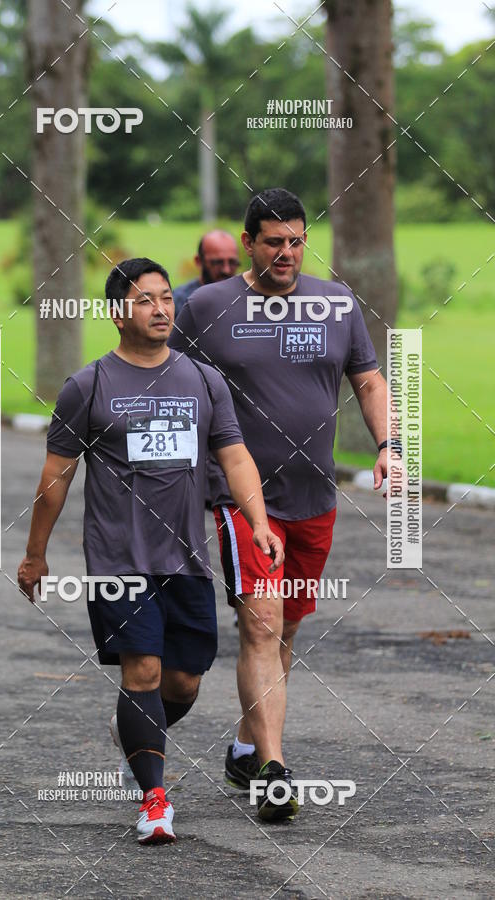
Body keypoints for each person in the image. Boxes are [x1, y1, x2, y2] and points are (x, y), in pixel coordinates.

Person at [17, 257, 284, 844]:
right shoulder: (86, 387)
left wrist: (258, 522)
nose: (162, 309)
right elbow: (55, 479)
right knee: (143, 669)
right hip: (119, 558)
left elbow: (235, 456)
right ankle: (155, 801)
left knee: (183, 681)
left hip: (186, 558)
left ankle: (137, 732)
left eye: (166, 298)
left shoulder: (202, 380)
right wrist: (35, 555)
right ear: (118, 314)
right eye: (145, 301)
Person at [169, 188, 393, 822]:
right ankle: (273, 770)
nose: (288, 253)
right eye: (274, 242)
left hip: (314, 495)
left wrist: (389, 443)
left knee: (288, 626)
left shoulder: (336, 302)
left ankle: (245, 747)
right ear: (248, 243)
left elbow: (369, 378)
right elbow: (170, 386)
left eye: (297, 241)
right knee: (261, 625)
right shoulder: (208, 307)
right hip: (241, 499)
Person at [173, 230, 240, 316]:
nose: (226, 270)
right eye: (217, 262)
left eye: (232, 262)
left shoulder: (248, 300)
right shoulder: (178, 302)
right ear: (199, 261)